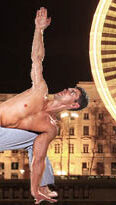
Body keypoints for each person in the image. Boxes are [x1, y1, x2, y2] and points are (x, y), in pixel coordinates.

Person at [0, 7, 88, 204]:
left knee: (38, 143)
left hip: (2, 136)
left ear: (73, 105)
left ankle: (41, 187)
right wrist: (39, 31)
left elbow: (38, 159)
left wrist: (33, 190)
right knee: (34, 138)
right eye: (70, 88)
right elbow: (37, 58)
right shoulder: (40, 90)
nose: (67, 89)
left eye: (72, 92)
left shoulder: (50, 127)